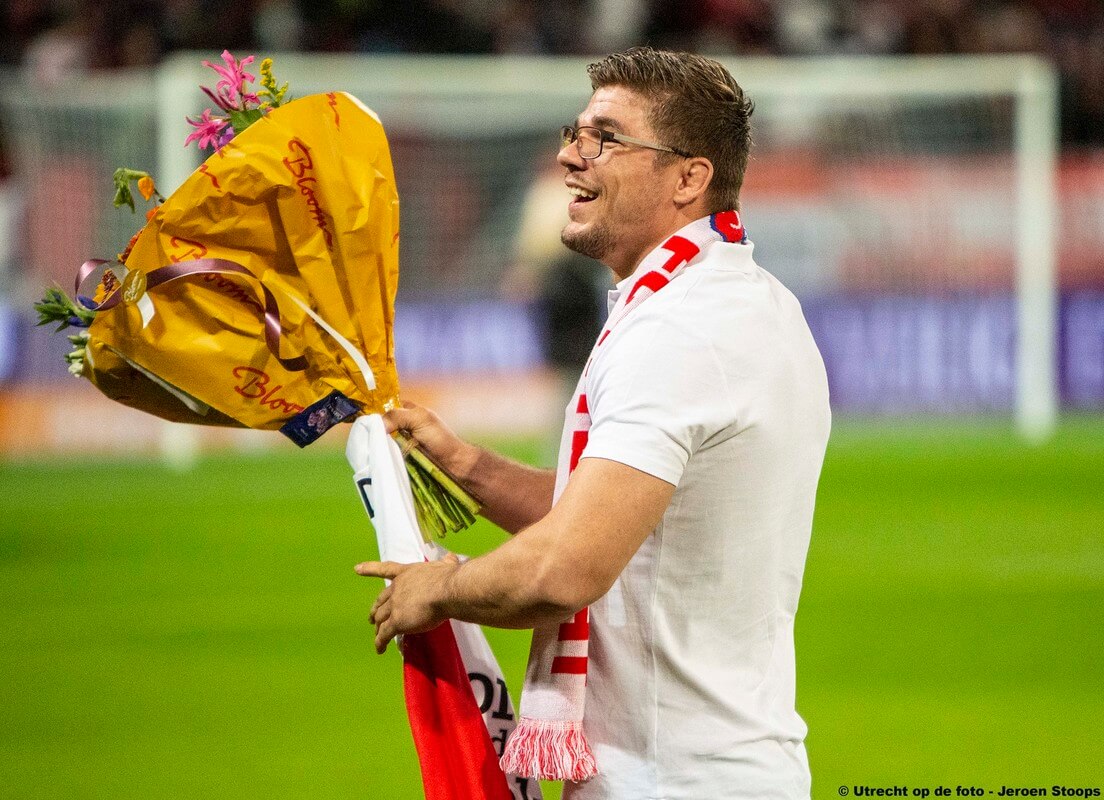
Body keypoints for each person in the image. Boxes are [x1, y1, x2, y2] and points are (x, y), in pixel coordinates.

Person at [356, 47, 831, 799]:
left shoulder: (682, 332)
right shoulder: (742, 300)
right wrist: (470, 468)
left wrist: (437, 591)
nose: (569, 156)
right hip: (721, 766)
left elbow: (567, 569)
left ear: (688, 177)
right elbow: (622, 519)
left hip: (668, 778)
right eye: (576, 132)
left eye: (605, 138)